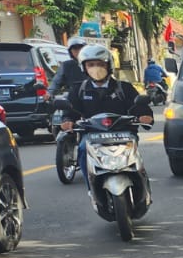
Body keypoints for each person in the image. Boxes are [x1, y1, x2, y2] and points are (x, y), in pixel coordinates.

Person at [59, 43, 152, 188]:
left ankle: (141, 184)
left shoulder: (124, 88)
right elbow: (70, 110)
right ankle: (92, 186)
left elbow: (139, 107)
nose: (96, 68)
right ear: (84, 68)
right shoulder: (79, 90)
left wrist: (144, 116)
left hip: (123, 134)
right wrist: (67, 120)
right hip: (92, 135)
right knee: (83, 149)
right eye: (91, 64)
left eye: (100, 64)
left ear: (109, 65)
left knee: (133, 155)